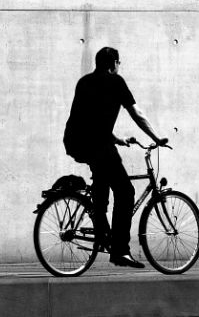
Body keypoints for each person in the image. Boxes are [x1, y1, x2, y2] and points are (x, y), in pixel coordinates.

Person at [63, 46, 168, 268]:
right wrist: (157, 138)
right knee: (126, 191)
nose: (119, 67)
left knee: (102, 181)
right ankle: (120, 250)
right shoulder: (116, 82)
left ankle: (102, 233)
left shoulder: (84, 82)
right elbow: (137, 114)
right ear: (113, 64)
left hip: (76, 142)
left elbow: (88, 119)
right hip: (97, 145)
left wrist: (116, 139)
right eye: (119, 63)